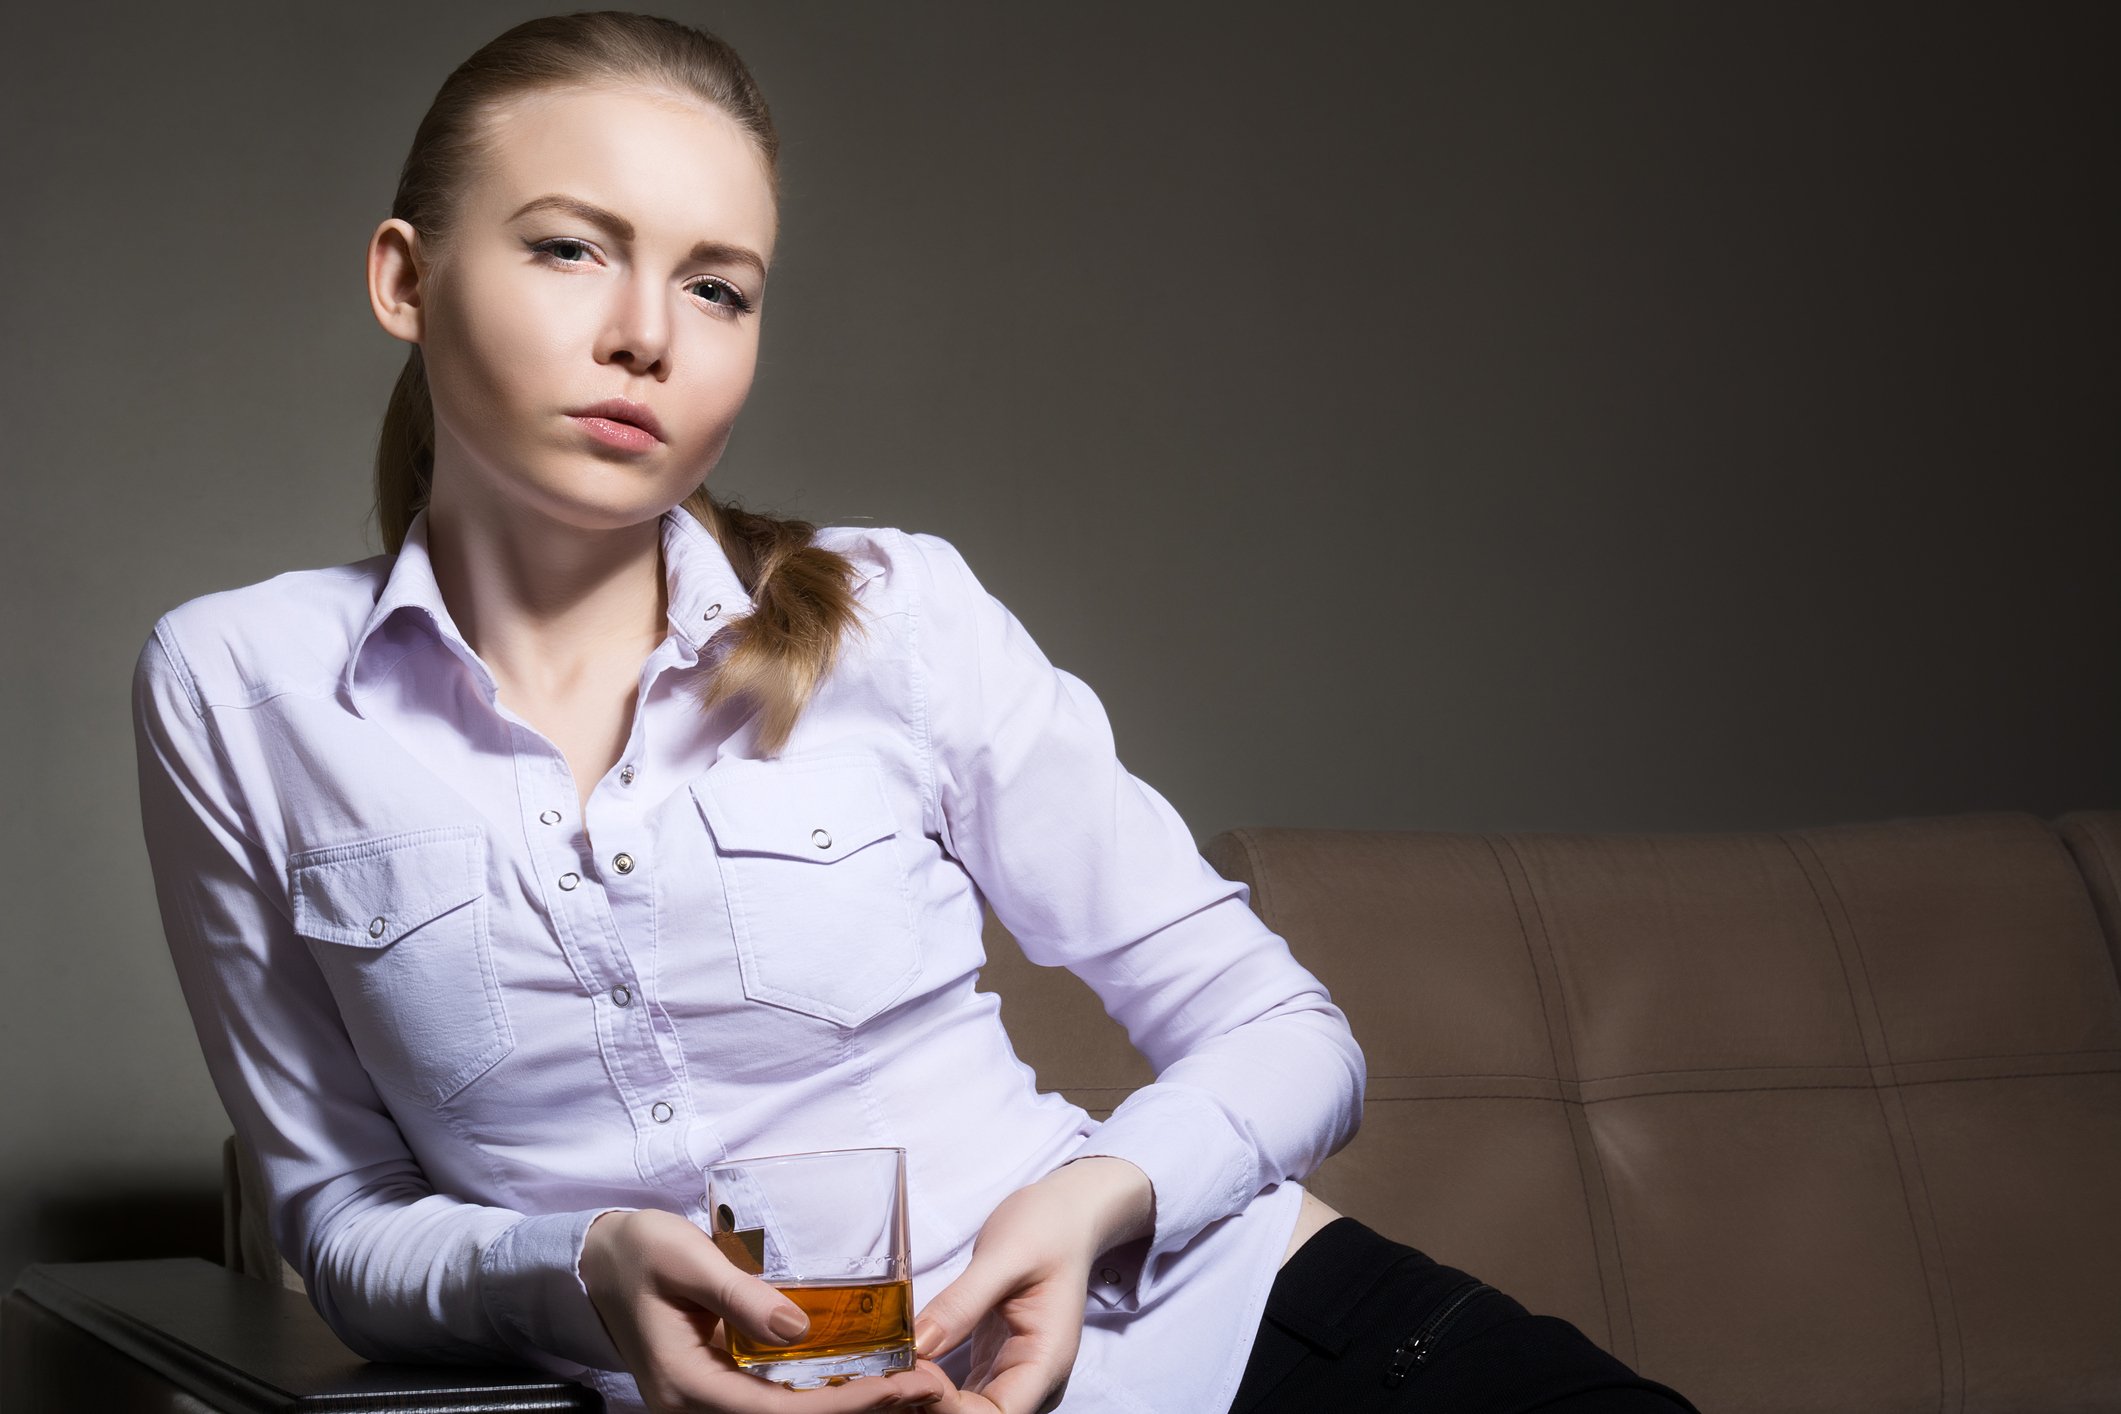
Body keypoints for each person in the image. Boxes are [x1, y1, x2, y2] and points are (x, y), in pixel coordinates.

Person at [131, 12, 1698, 1414]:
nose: (645, 336)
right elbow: (338, 1217)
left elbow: (1286, 1033)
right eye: (566, 248)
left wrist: (1084, 1202)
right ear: (405, 278)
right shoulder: (235, 685)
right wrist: (583, 1260)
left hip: (1232, 1337)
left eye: (717, 285)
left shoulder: (897, 611)